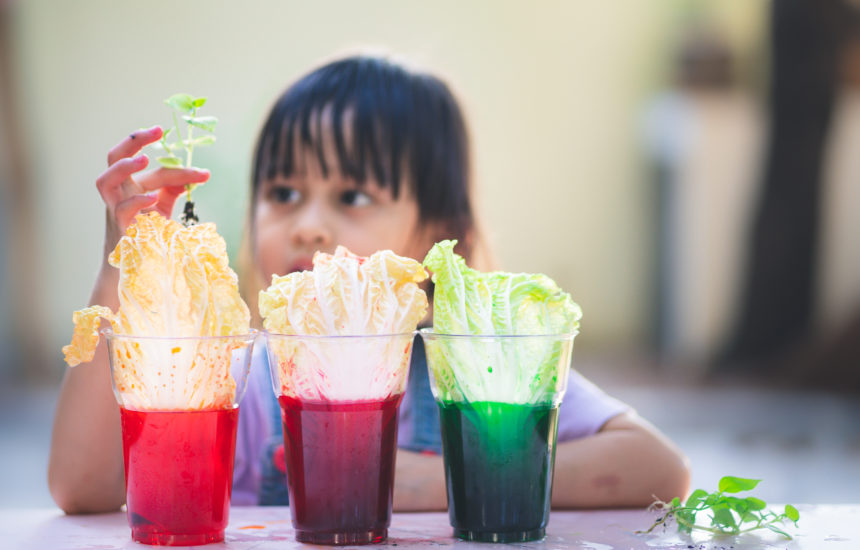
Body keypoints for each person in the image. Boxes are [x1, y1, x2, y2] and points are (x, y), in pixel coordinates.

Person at [48, 55, 690, 514]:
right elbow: (84, 488)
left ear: (439, 236)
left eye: (353, 196)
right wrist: (125, 267)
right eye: (283, 192)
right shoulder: (231, 379)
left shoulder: (481, 374)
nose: (307, 226)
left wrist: (437, 482)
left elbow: (657, 468)